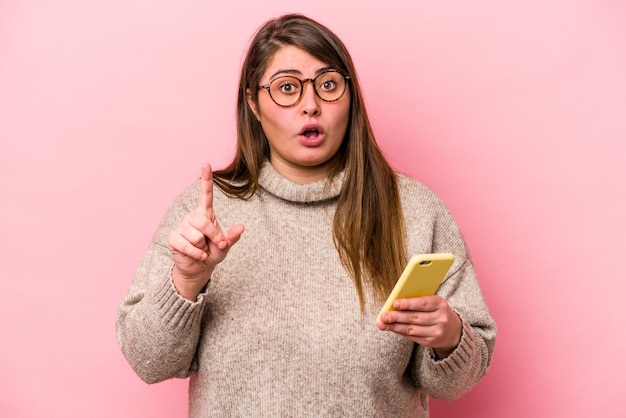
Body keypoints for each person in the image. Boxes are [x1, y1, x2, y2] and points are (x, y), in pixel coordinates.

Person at [116, 13, 497, 417]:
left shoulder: (416, 212)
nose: (311, 106)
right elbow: (148, 361)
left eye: (328, 85)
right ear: (254, 104)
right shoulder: (205, 217)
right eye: (287, 89)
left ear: (350, 96)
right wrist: (186, 281)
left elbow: (455, 382)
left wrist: (450, 337)